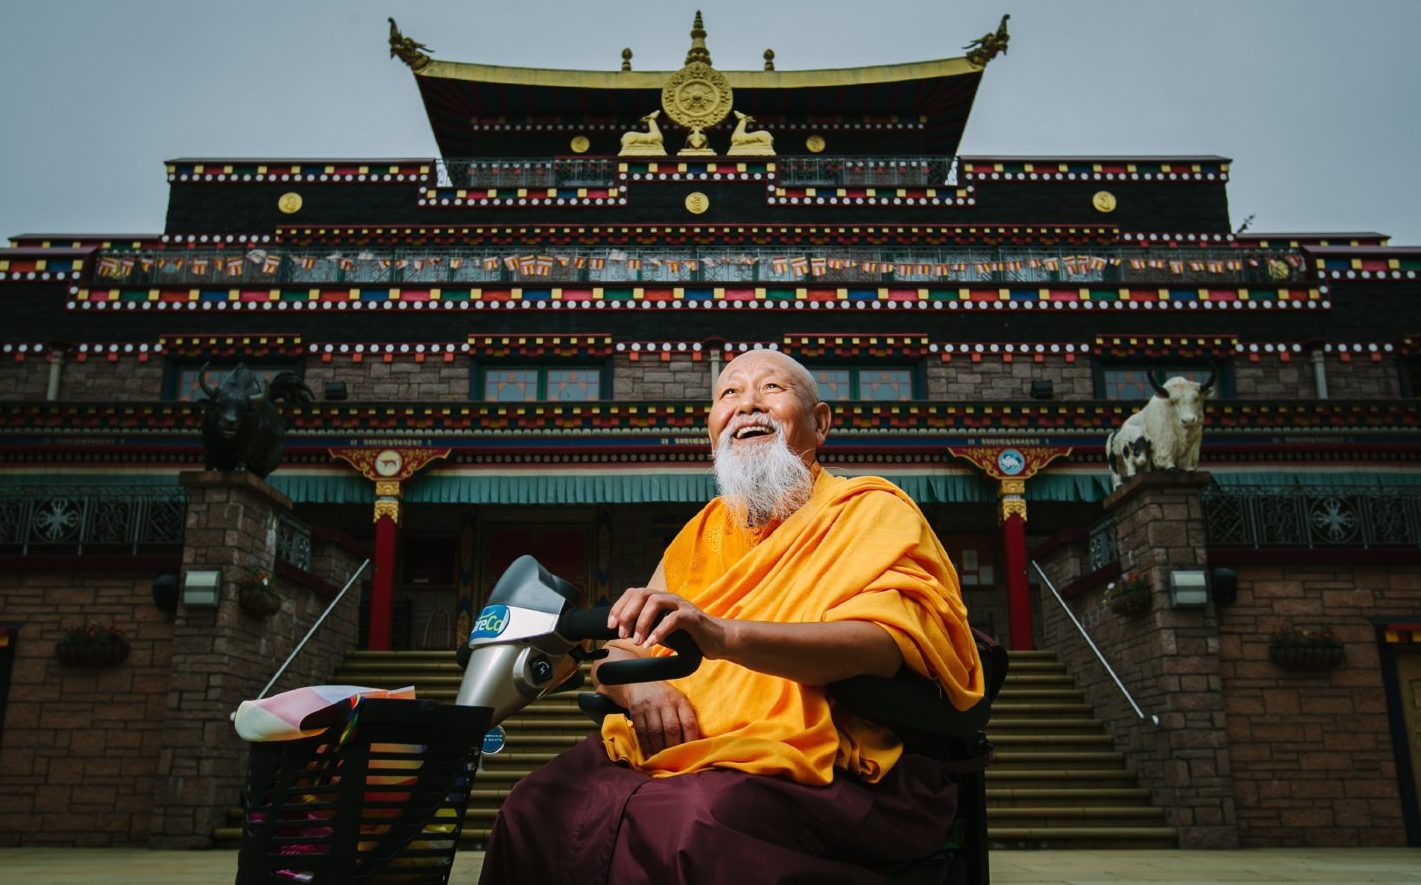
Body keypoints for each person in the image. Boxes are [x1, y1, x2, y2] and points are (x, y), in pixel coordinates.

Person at [479, 350, 984, 885]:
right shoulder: (703, 531)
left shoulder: (868, 510)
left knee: (682, 825)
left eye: (771, 389)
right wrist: (641, 693)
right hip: (679, 747)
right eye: (729, 395)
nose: (747, 406)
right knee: (533, 809)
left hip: (817, 761)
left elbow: (885, 643)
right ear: (712, 430)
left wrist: (724, 636)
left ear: (821, 422)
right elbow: (619, 651)